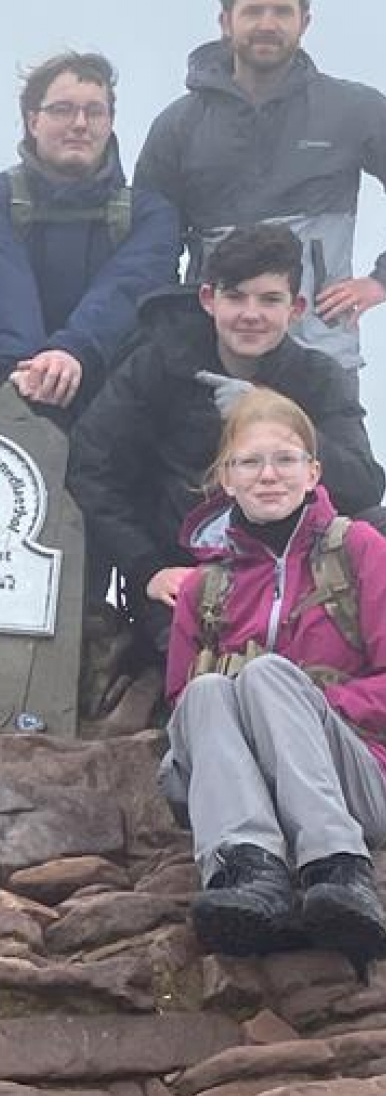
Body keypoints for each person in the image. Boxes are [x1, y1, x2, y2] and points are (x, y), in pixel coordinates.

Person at [70, 223, 384, 658]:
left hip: (297, 573)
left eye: (269, 300)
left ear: (296, 309)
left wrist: (269, 413)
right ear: (208, 299)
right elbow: (91, 467)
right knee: (197, 671)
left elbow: (364, 484)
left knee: (378, 524)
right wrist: (148, 569)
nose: (251, 314)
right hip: (184, 572)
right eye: (235, 296)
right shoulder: (158, 366)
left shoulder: (320, 378)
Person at [162, 388, 386, 970]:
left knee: (265, 677)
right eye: (249, 462)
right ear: (225, 479)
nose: (269, 475)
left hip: (353, 777)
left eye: (285, 459)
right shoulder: (201, 589)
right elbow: (182, 710)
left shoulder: (360, 549)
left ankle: (338, 868)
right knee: (207, 691)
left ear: (313, 472)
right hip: (239, 786)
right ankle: (247, 869)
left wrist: (307, 703)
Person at [136, 0, 386, 374]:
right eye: (253, 11)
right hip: (214, 357)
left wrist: (379, 281)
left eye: (282, 12)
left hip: (320, 358)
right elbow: (147, 244)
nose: (267, 24)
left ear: (304, 22)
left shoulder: (355, 110)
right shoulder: (178, 125)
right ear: (225, 22)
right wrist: (169, 334)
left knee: (334, 446)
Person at [0, 51, 180, 416]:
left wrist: (72, 351)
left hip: (116, 402)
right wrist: (28, 371)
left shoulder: (152, 215)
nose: (79, 123)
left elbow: (125, 287)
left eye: (94, 111)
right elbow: (6, 287)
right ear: (32, 121)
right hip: (10, 388)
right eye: (61, 110)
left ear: (110, 122)